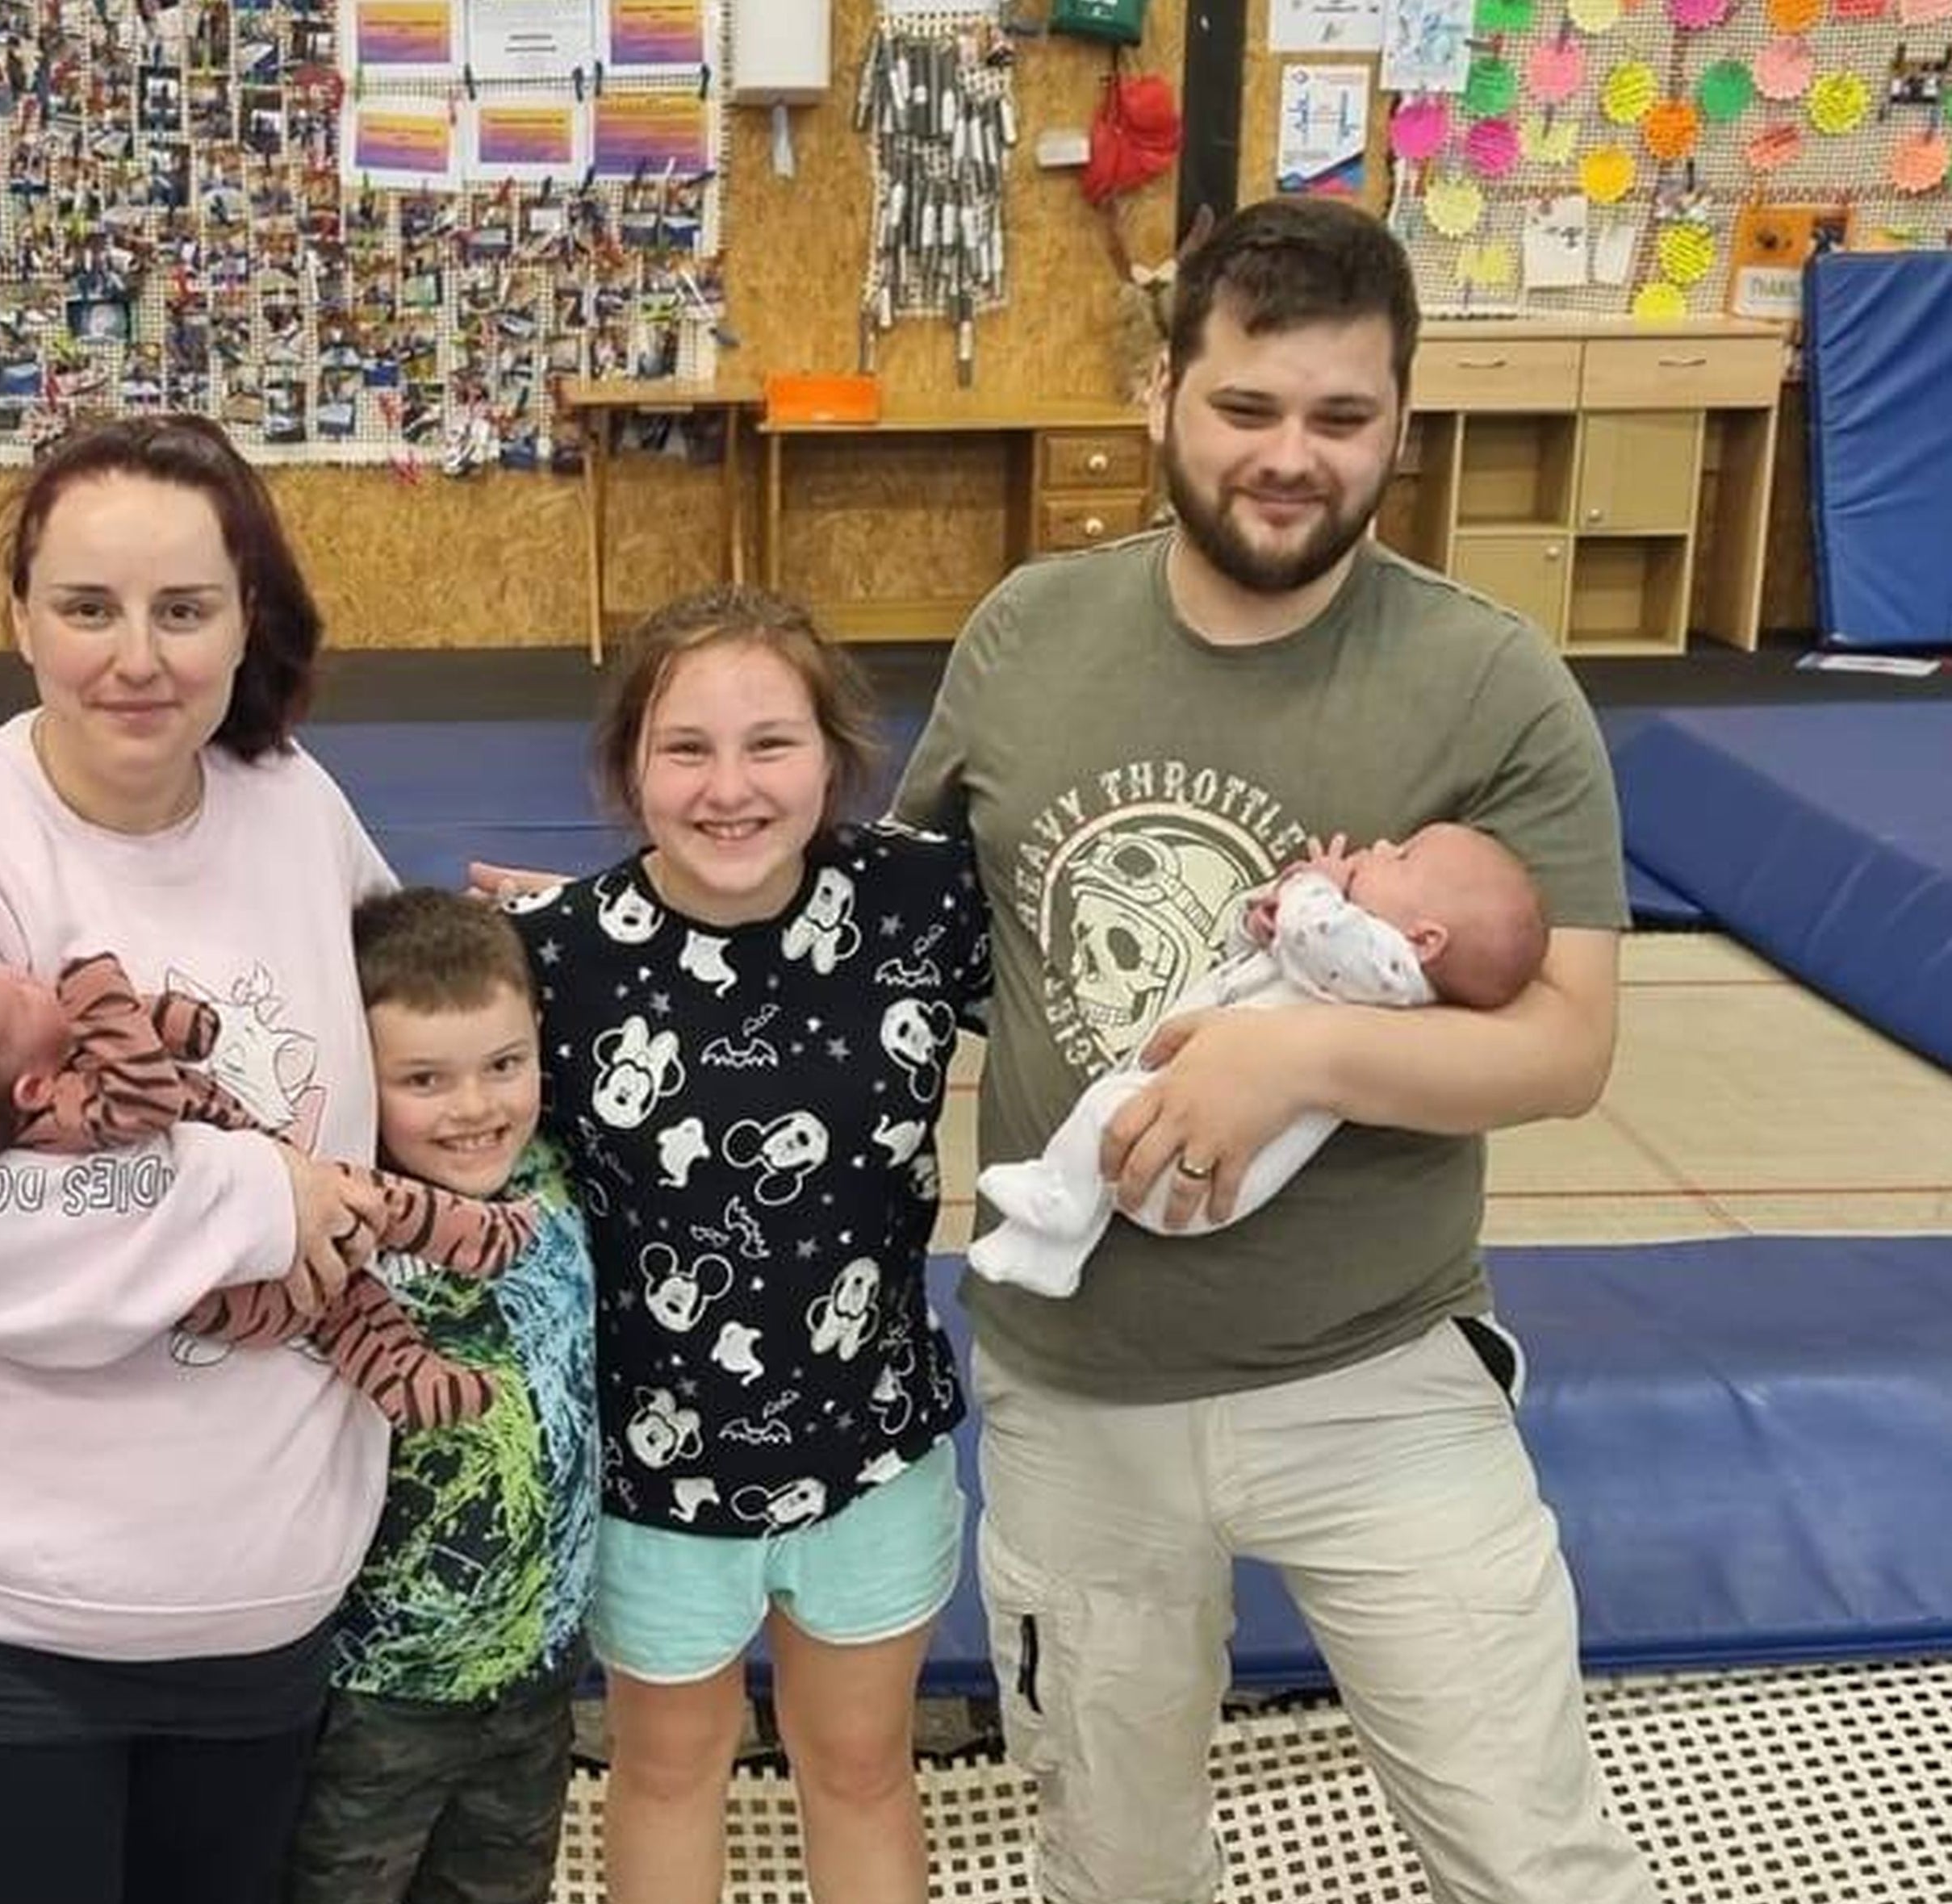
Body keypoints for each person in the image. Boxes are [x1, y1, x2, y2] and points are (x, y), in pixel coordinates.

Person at [893, 195, 1660, 1904]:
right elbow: (894, 930)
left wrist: (1300, 1058)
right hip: (1076, 1385)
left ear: (1401, 418)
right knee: (1113, 1860)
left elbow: (1565, 1044)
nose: (1289, 457)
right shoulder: (1026, 637)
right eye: (1246, 407)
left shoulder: (1492, 683)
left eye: (1340, 416)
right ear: (1163, 394)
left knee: (1531, 1855)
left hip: (1377, 1378)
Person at [0, 413, 397, 1904]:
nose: (138, 658)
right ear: (20, 622)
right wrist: (254, 1197)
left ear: (248, 619)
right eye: (87, 609)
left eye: (184, 611)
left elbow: (419, 1011)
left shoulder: (295, 806)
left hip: (255, 1601)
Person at [497, 584, 989, 1904]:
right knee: (666, 1771)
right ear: (626, 768)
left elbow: (1114, 994)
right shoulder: (550, 960)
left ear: (834, 756)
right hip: (656, 1481)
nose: (730, 787)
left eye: (770, 743)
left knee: (862, 1766)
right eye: (686, 749)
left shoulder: (923, 902)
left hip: (873, 1452)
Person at [0, 948, 538, 1428]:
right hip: (237, 1286)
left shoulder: (51, 1080)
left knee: (348, 1302)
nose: (26, 978)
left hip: (247, 1271)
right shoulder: (67, 1115)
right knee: (362, 1203)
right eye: (19, 996)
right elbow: (144, 1092)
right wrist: (96, 989)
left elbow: (161, 1039)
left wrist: (174, 1021)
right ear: (29, 1086)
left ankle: (408, 1380)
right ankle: (478, 1236)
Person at [284, 887, 597, 1904]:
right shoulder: (341, 1227)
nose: (475, 1108)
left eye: (504, 1065)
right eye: (425, 1078)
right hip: (374, 1692)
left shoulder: (555, 1175)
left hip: (535, 1674)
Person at [971, 820, 1548, 1296]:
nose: (1382, 847)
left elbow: (1314, 931)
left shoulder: (1392, 969)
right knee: (1107, 1120)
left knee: (1105, 1112)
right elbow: (1272, 950)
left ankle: (1057, 1199)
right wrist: (1260, 921)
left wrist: (1315, 882)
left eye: (1403, 858)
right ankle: (1049, 1252)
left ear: (1426, 941)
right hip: (1190, 1121)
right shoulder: (1359, 965)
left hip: (1203, 1161)